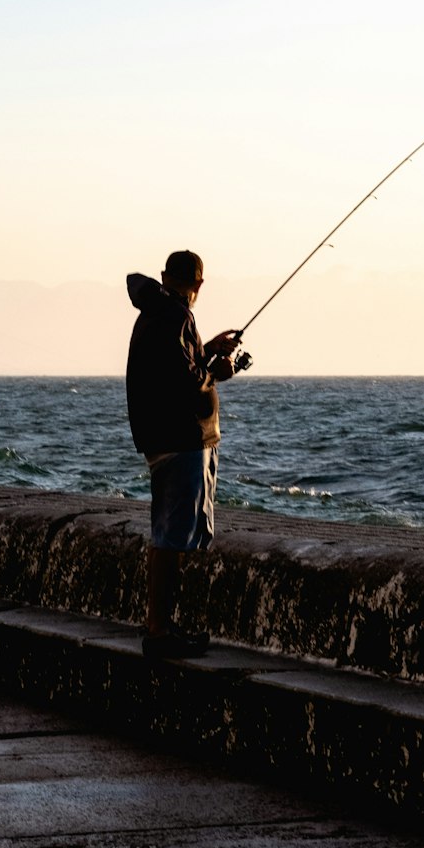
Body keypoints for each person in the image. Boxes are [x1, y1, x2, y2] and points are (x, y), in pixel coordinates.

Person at [126, 250, 243, 658]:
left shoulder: (156, 313)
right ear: (199, 284)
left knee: (169, 537)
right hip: (180, 441)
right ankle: (159, 631)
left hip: (163, 439)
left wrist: (206, 347)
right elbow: (186, 378)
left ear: (164, 276)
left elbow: (176, 365)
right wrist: (219, 371)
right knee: (171, 539)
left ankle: (163, 626)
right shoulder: (176, 316)